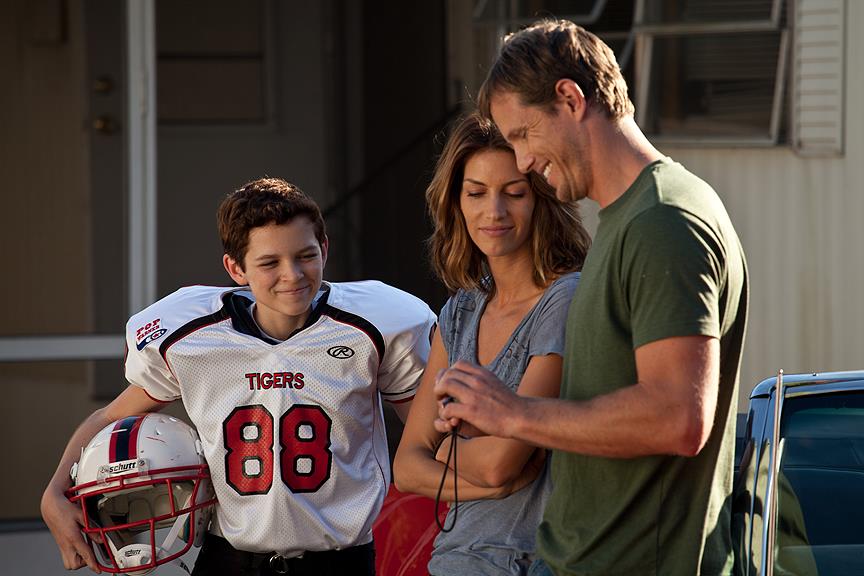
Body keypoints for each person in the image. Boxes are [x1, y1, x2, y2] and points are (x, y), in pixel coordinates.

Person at [433, 19, 749, 576]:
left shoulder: (663, 221)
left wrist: (514, 414)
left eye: (524, 135)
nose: (524, 161)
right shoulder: (627, 219)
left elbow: (679, 416)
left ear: (570, 98)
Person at [41, 177, 437, 576]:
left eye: (306, 256)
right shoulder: (190, 336)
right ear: (236, 268)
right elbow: (109, 418)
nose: (293, 275)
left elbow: (428, 435)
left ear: (325, 249)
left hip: (339, 560)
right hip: (230, 558)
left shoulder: (376, 325)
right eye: (270, 263)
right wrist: (54, 491)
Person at [393, 112, 590, 576]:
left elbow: (503, 461)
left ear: (540, 199)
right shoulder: (461, 309)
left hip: (525, 562)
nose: (494, 212)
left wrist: (444, 452)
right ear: (455, 203)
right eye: (476, 193)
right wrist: (484, 483)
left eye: (514, 193)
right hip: (453, 560)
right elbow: (405, 466)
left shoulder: (564, 299)